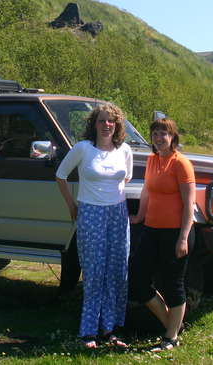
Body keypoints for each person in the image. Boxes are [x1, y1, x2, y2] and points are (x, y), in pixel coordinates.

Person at [55, 103, 133, 349]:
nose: (106, 125)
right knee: (94, 271)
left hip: (118, 214)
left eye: (111, 121)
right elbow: (60, 175)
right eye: (102, 120)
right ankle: (89, 331)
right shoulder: (83, 148)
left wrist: (112, 197)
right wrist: (72, 206)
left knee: (117, 272)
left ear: (117, 125)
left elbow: (126, 177)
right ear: (94, 124)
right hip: (90, 213)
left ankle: (110, 329)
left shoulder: (125, 150)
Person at [130, 117, 197, 352]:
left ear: (173, 137)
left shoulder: (181, 164)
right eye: (155, 134)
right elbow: (147, 191)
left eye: (164, 134)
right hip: (151, 229)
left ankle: (170, 337)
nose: (159, 138)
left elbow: (189, 204)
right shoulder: (152, 160)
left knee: (172, 283)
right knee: (137, 280)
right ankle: (172, 324)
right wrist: (139, 216)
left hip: (176, 232)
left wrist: (183, 237)